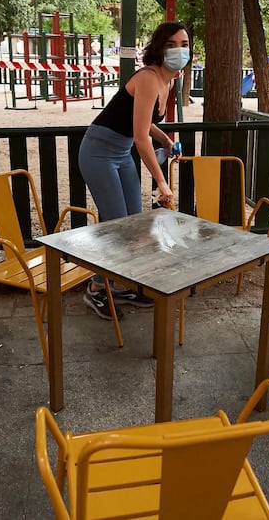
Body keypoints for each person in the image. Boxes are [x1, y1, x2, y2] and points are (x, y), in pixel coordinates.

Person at [77, 21, 191, 320]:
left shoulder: (168, 81)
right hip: (98, 152)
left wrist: (165, 140)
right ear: (158, 48)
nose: (179, 50)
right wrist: (162, 183)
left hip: (121, 151)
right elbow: (140, 137)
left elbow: (141, 122)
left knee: (133, 223)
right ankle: (96, 288)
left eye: (184, 44)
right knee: (116, 225)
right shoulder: (149, 78)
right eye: (171, 45)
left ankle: (116, 284)